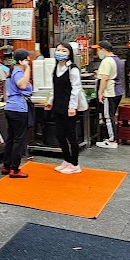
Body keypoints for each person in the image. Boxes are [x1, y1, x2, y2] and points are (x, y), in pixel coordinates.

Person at [46, 42, 83, 174]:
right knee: (59, 134)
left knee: (71, 135)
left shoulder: (72, 68)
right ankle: (66, 159)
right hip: (57, 105)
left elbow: (76, 88)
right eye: (58, 50)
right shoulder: (56, 68)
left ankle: (75, 163)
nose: (60, 52)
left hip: (69, 106)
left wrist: (72, 106)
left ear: (69, 54)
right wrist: (50, 101)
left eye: (64, 50)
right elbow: (53, 87)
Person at [2, 48, 34, 178]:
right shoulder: (18, 72)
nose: (29, 60)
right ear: (21, 61)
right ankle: (14, 169)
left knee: (11, 138)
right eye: (27, 58)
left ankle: (7, 165)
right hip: (18, 109)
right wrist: (27, 69)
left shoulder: (12, 72)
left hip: (11, 107)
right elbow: (22, 85)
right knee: (18, 140)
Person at [95, 41, 124, 149]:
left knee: (108, 116)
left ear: (103, 49)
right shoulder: (116, 59)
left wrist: (100, 92)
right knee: (111, 115)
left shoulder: (106, 61)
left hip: (110, 92)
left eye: (98, 50)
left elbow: (105, 78)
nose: (97, 52)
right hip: (117, 91)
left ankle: (111, 140)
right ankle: (110, 138)